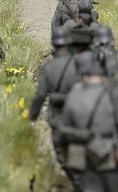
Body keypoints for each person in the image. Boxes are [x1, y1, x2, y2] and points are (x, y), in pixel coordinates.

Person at [60, 50, 118, 192]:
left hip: (83, 156)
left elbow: (63, 129)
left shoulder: (74, 94)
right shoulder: (115, 93)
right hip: (110, 155)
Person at [29, 26, 81, 169]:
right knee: (78, 153)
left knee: (61, 153)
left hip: (58, 117)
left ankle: (72, 173)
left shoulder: (49, 67)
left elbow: (40, 95)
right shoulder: (79, 63)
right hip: (78, 116)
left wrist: (33, 115)